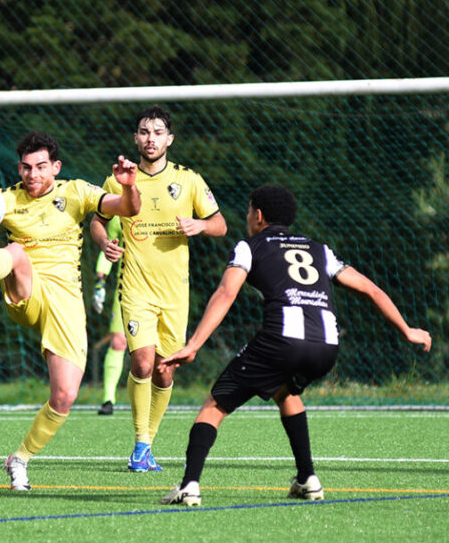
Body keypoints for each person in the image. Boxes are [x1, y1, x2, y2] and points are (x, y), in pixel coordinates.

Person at [158, 184, 432, 506]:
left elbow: (226, 293)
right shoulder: (319, 249)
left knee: (215, 406)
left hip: (283, 341)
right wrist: (406, 329)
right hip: (326, 346)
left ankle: (189, 485)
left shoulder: (249, 247)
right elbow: (370, 289)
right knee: (285, 392)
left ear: (258, 216)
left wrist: (193, 345)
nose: (247, 217)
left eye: (248, 211)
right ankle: (307, 479)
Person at [0, 131, 140, 490]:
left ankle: (19, 459)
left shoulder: (77, 192)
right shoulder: (3, 200)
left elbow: (128, 208)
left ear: (56, 167)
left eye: (41, 166)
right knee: (17, 253)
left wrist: (129, 186)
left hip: (66, 302)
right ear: (19, 168)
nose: (33, 174)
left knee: (64, 397)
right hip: (26, 290)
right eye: (26, 167)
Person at [90, 105, 227, 472]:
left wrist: (200, 226)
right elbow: (97, 222)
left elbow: (220, 225)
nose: (150, 138)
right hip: (135, 287)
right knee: (142, 362)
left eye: (157, 132)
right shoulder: (118, 181)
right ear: (136, 139)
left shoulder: (189, 180)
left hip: (175, 293)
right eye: (144, 132)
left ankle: (148, 443)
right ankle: (140, 444)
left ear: (169, 139)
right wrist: (104, 243)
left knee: (165, 371)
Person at [91, 216, 126, 416]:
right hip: (126, 289)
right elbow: (109, 248)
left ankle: (156, 397)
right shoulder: (118, 217)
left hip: (161, 288)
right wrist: (100, 282)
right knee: (118, 342)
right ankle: (108, 399)